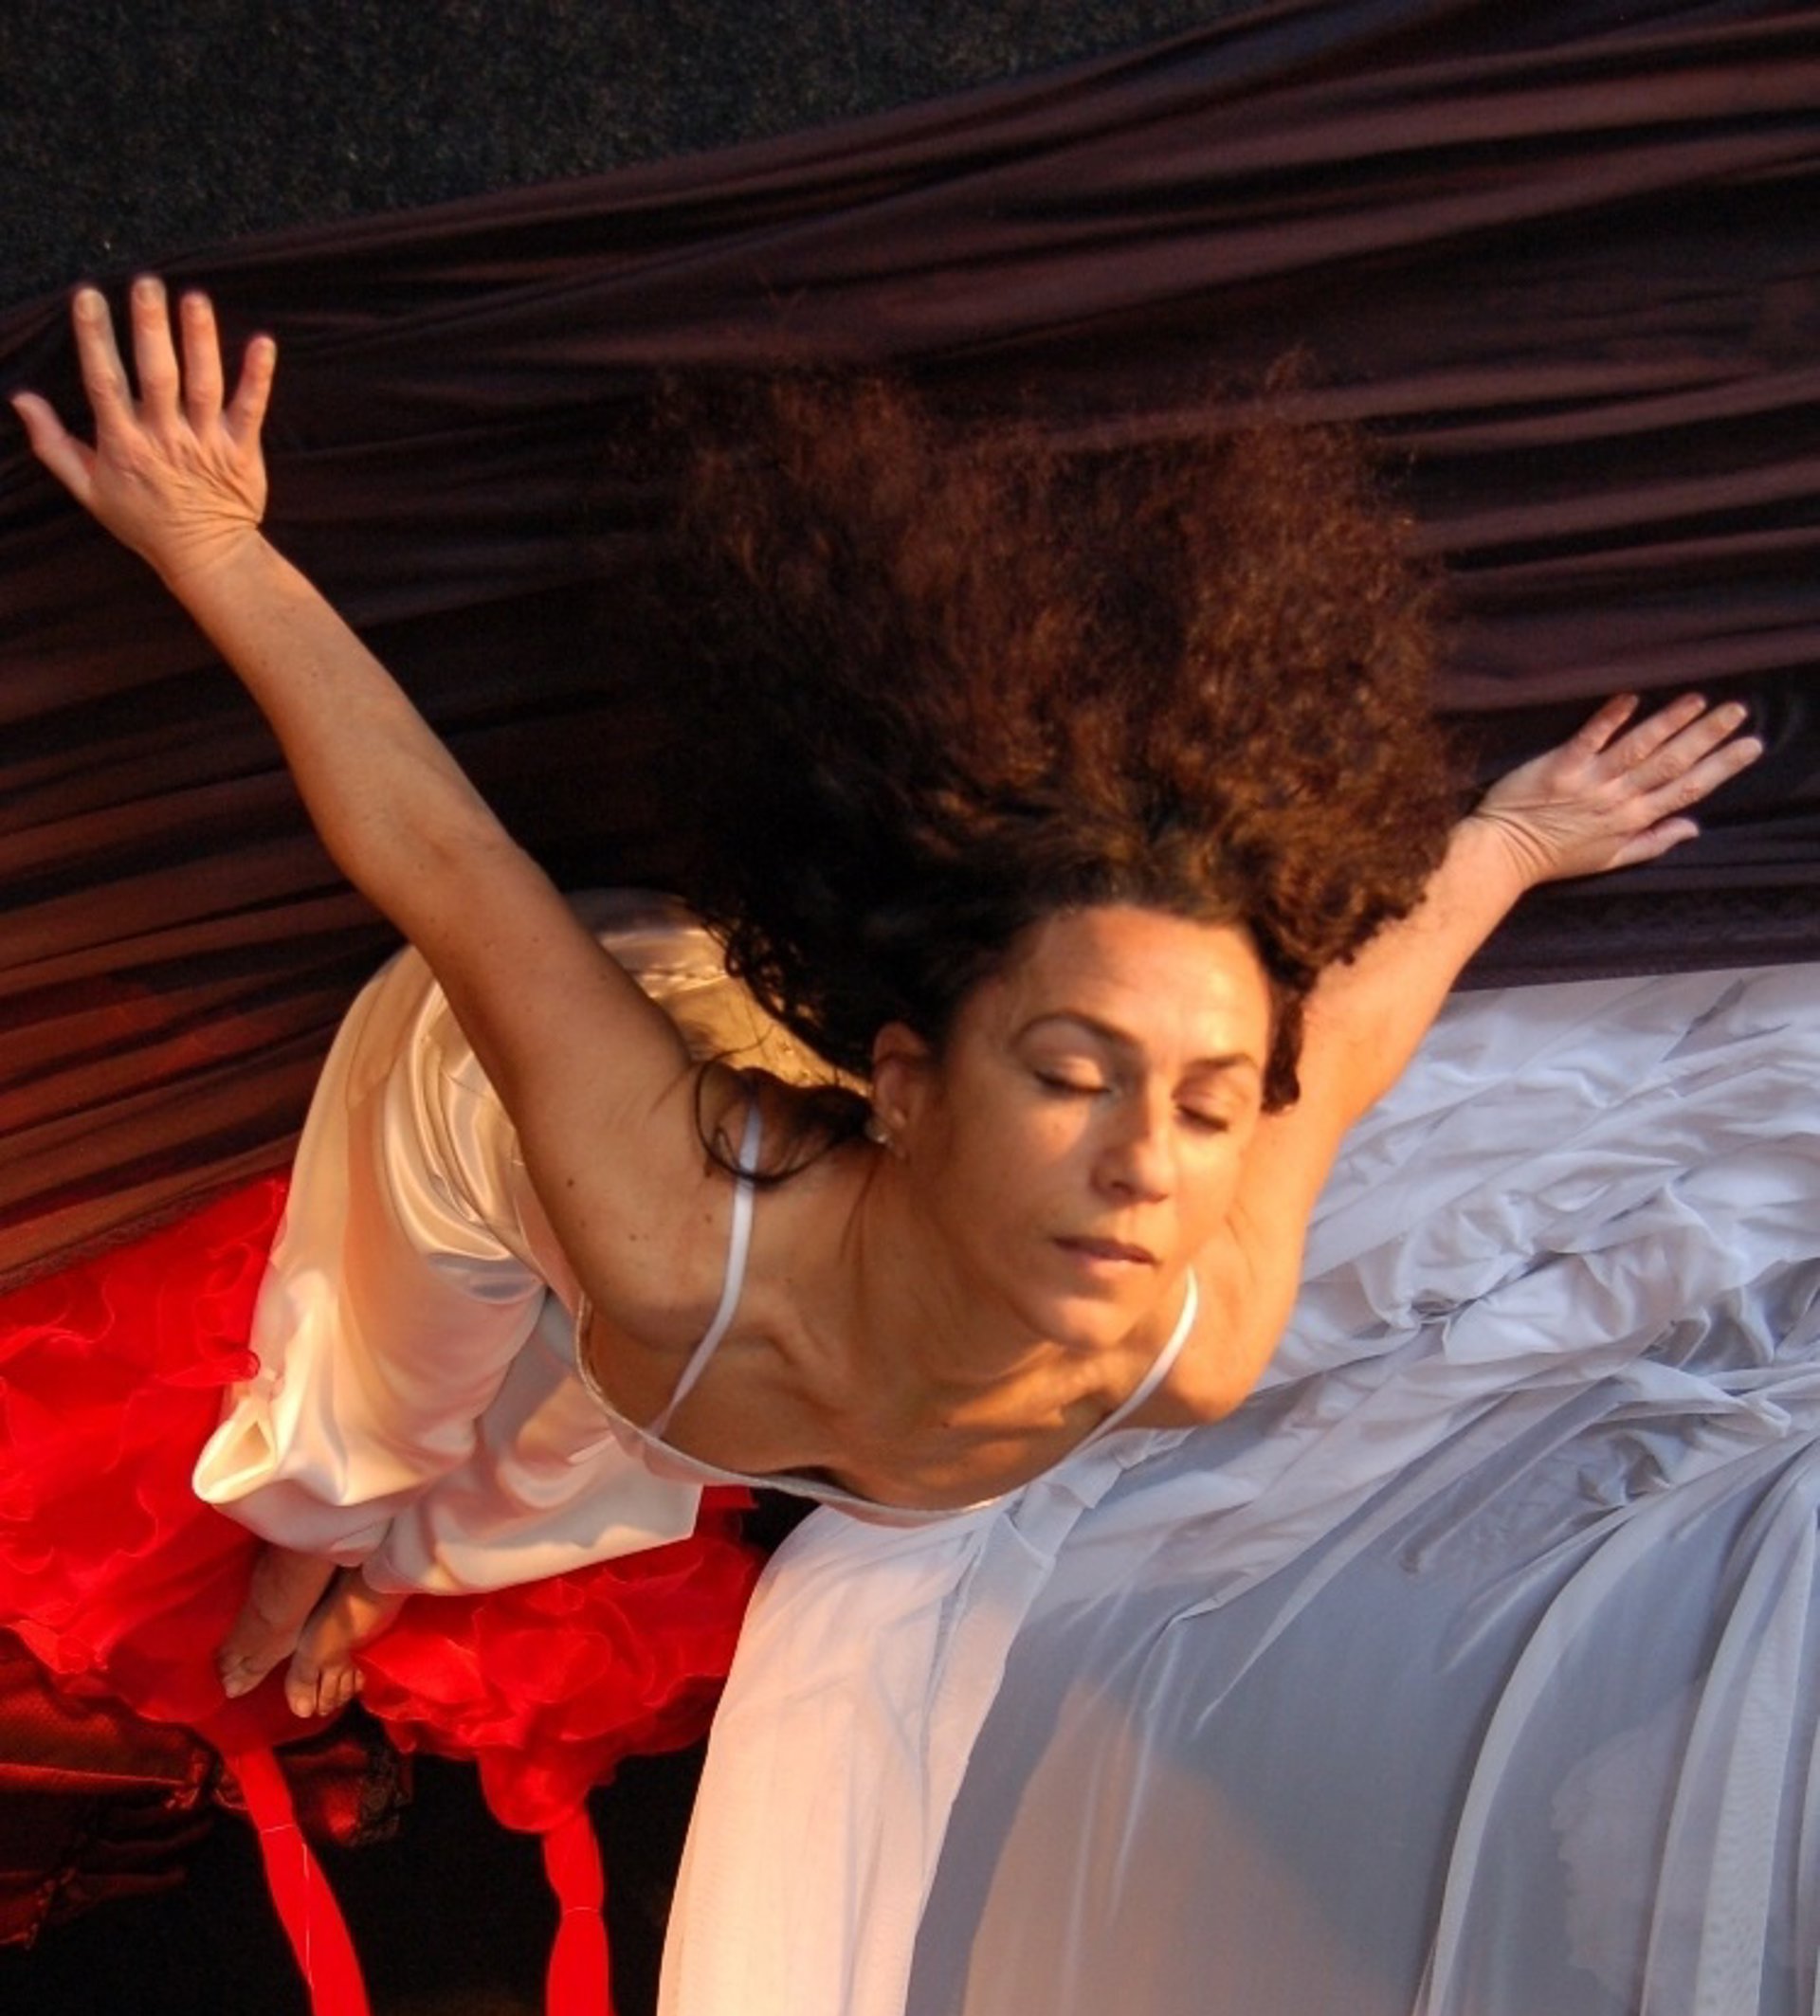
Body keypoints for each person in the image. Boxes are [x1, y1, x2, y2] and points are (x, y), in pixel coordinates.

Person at [11, 279, 1762, 1725]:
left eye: (1206, 1100)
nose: (1153, 1163)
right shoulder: (666, 1231)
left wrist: (1510, 844)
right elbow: (454, 871)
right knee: (394, 1392)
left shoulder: (1196, 1332)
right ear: (909, 1082)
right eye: (1076, 1075)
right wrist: (212, 545)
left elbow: (1341, 1062)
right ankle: (321, 1545)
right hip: (505, 1114)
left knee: (563, 1457)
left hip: (720, 1292)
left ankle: (399, 1567)